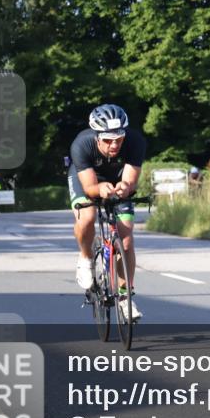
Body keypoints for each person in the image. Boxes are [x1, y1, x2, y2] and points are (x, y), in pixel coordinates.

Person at [67, 104, 147, 321]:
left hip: (117, 179)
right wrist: (99, 189)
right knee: (88, 217)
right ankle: (85, 258)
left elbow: (129, 180)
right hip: (88, 180)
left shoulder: (135, 142)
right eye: (108, 140)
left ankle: (125, 298)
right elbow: (90, 187)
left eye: (119, 139)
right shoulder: (81, 145)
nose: (114, 145)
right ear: (97, 137)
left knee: (126, 238)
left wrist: (124, 187)